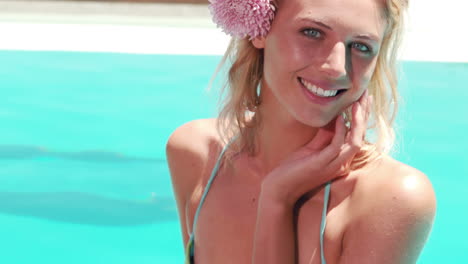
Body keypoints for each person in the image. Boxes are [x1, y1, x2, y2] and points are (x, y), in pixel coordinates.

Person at [166, 0, 436, 263]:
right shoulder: (196, 154)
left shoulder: (389, 198)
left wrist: (277, 200)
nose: (337, 67)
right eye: (312, 32)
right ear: (259, 30)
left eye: (361, 47)